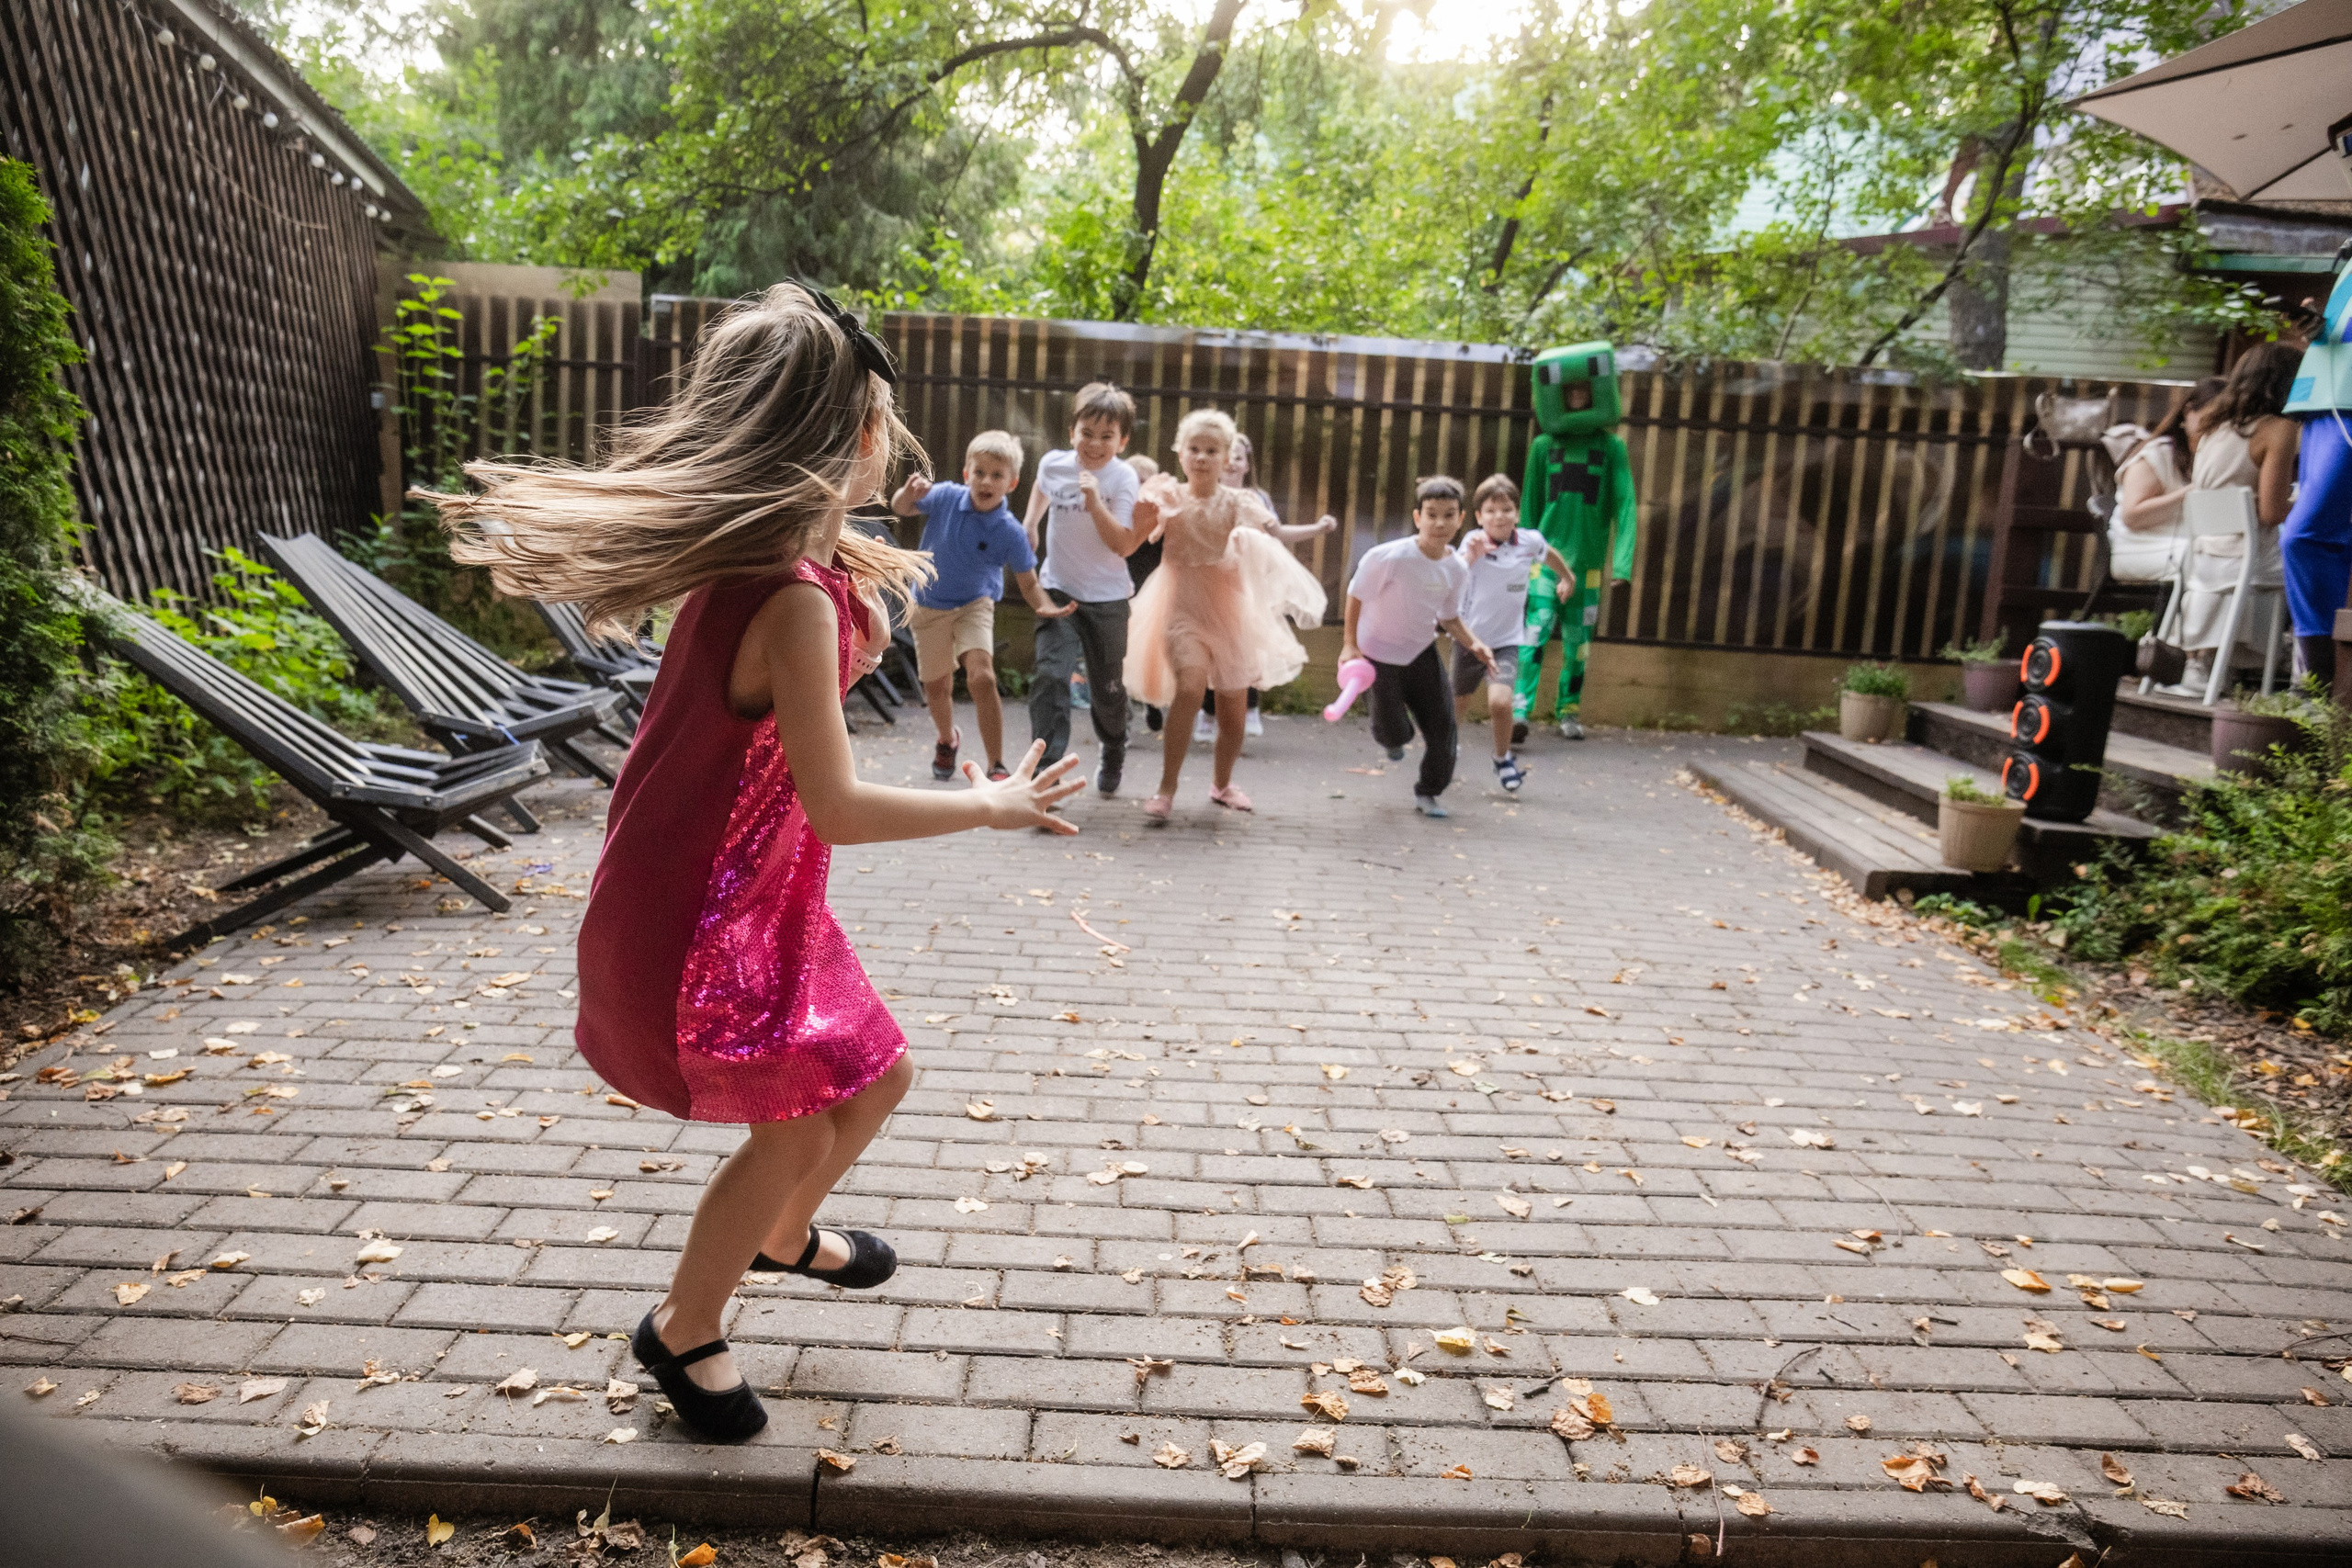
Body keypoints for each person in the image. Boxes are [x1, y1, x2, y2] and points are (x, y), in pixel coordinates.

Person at [423, 282, 1086, 1441]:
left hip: (760, 899)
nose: (897, 438)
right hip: (704, 918)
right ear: (846, 439)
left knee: (878, 1077)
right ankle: (683, 1326)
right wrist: (984, 805)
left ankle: (782, 1235)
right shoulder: (787, 596)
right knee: (789, 1121)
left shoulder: (791, 572)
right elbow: (832, 805)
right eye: (882, 417)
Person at [1125, 409, 1326, 822]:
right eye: (1194, 449)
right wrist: (1141, 511)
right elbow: (1138, 532)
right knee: (1190, 686)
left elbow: (1270, 534)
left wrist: (1286, 533)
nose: (1201, 457)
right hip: (1179, 604)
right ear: (1180, 453)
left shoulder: (1239, 501)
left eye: (1211, 451)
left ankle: (1222, 784)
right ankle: (1167, 787)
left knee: (1233, 715)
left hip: (1230, 611)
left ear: (1226, 457)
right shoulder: (1168, 495)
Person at [890, 431, 1072, 781]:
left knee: (982, 676)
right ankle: (947, 739)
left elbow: (1029, 581)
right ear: (966, 474)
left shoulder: (1010, 531)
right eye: (980, 472)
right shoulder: (944, 497)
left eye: (997, 475)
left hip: (975, 604)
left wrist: (1045, 606)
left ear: (1012, 483)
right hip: (928, 604)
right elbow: (901, 508)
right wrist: (905, 494)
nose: (986, 481)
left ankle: (997, 763)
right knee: (937, 687)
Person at [1340, 476, 1496, 819]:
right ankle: (1393, 738)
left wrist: (1476, 644)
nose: (1440, 523)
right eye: (1432, 514)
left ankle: (1429, 793)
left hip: (1420, 653)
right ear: (1417, 518)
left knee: (1444, 728)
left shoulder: (1456, 568)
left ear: (1460, 519)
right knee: (1394, 730)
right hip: (1376, 655)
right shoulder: (1388, 557)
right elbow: (1356, 595)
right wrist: (1350, 645)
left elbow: (1450, 616)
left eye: (1449, 515)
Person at [1023, 383, 1147, 795]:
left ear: (1123, 440)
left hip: (1108, 599)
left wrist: (1095, 503)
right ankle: (1046, 776)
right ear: (1072, 431)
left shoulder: (1122, 477)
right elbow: (1043, 485)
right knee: (1050, 676)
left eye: (1107, 436)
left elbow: (1123, 544)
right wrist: (1030, 524)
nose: (1095, 444)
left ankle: (1114, 747)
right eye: (1087, 433)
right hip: (1058, 591)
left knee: (1108, 691)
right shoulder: (1054, 464)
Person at [2161, 345, 2301, 694]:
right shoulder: (2277, 429)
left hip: (2206, 558)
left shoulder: (2210, 429)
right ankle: (2301, 668)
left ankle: (2211, 663)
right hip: (2249, 559)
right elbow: (2272, 513)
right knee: (2318, 556)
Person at [1195, 429, 1338, 741]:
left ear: (1248, 465)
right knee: (1211, 648)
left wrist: (1317, 528)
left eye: (1239, 457)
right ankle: (1207, 713)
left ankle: (1250, 709)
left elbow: (1277, 533)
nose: (1233, 463)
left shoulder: (1257, 499)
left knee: (1249, 646)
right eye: (1227, 455)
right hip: (1213, 579)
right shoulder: (1203, 493)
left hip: (1249, 584)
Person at [1453, 474, 1570, 793]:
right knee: (1457, 703)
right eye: (1490, 511)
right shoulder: (1472, 542)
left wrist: (1568, 578)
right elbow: (1454, 574)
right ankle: (1447, 748)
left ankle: (1502, 758)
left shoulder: (1529, 541)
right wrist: (1470, 557)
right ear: (1479, 517)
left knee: (1501, 703)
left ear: (1517, 513)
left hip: (1506, 641)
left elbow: (1550, 554)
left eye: (1506, 509)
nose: (1499, 517)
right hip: (1469, 639)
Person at [2101, 378, 2222, 587]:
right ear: (2188, 412)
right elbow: (2132, 516)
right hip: (2139, 548)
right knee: (2208, 562)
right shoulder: (2156, 453)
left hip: (2188, 545)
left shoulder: (2216, 457)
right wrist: (2193, 490)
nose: (2216, 427)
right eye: (2212, 418)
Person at [1125, 454, 1169, 734]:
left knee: (1149, 651)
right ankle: (1123, 710)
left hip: (1152, 591)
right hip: (1123, 589)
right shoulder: (1119, 512)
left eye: (1146, 481)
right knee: (1120, 651)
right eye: (1135, 481)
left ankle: (1151, 703)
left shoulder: (1162, 515)